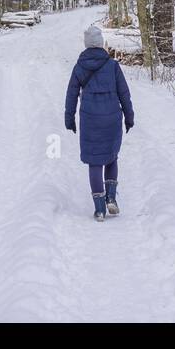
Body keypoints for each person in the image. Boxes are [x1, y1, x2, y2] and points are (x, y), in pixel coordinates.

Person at [64, 24, 135, 221]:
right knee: (111, 157)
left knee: (95, 162)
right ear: (101, 43)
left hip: (90, 119)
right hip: (112, 118)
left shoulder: (79, 67)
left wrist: (69, 118)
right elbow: (124, 94)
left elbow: (71, 95)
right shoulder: (112, 66)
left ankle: (99, 209)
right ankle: (111, 198)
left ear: (87, 45)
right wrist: (129, 117)